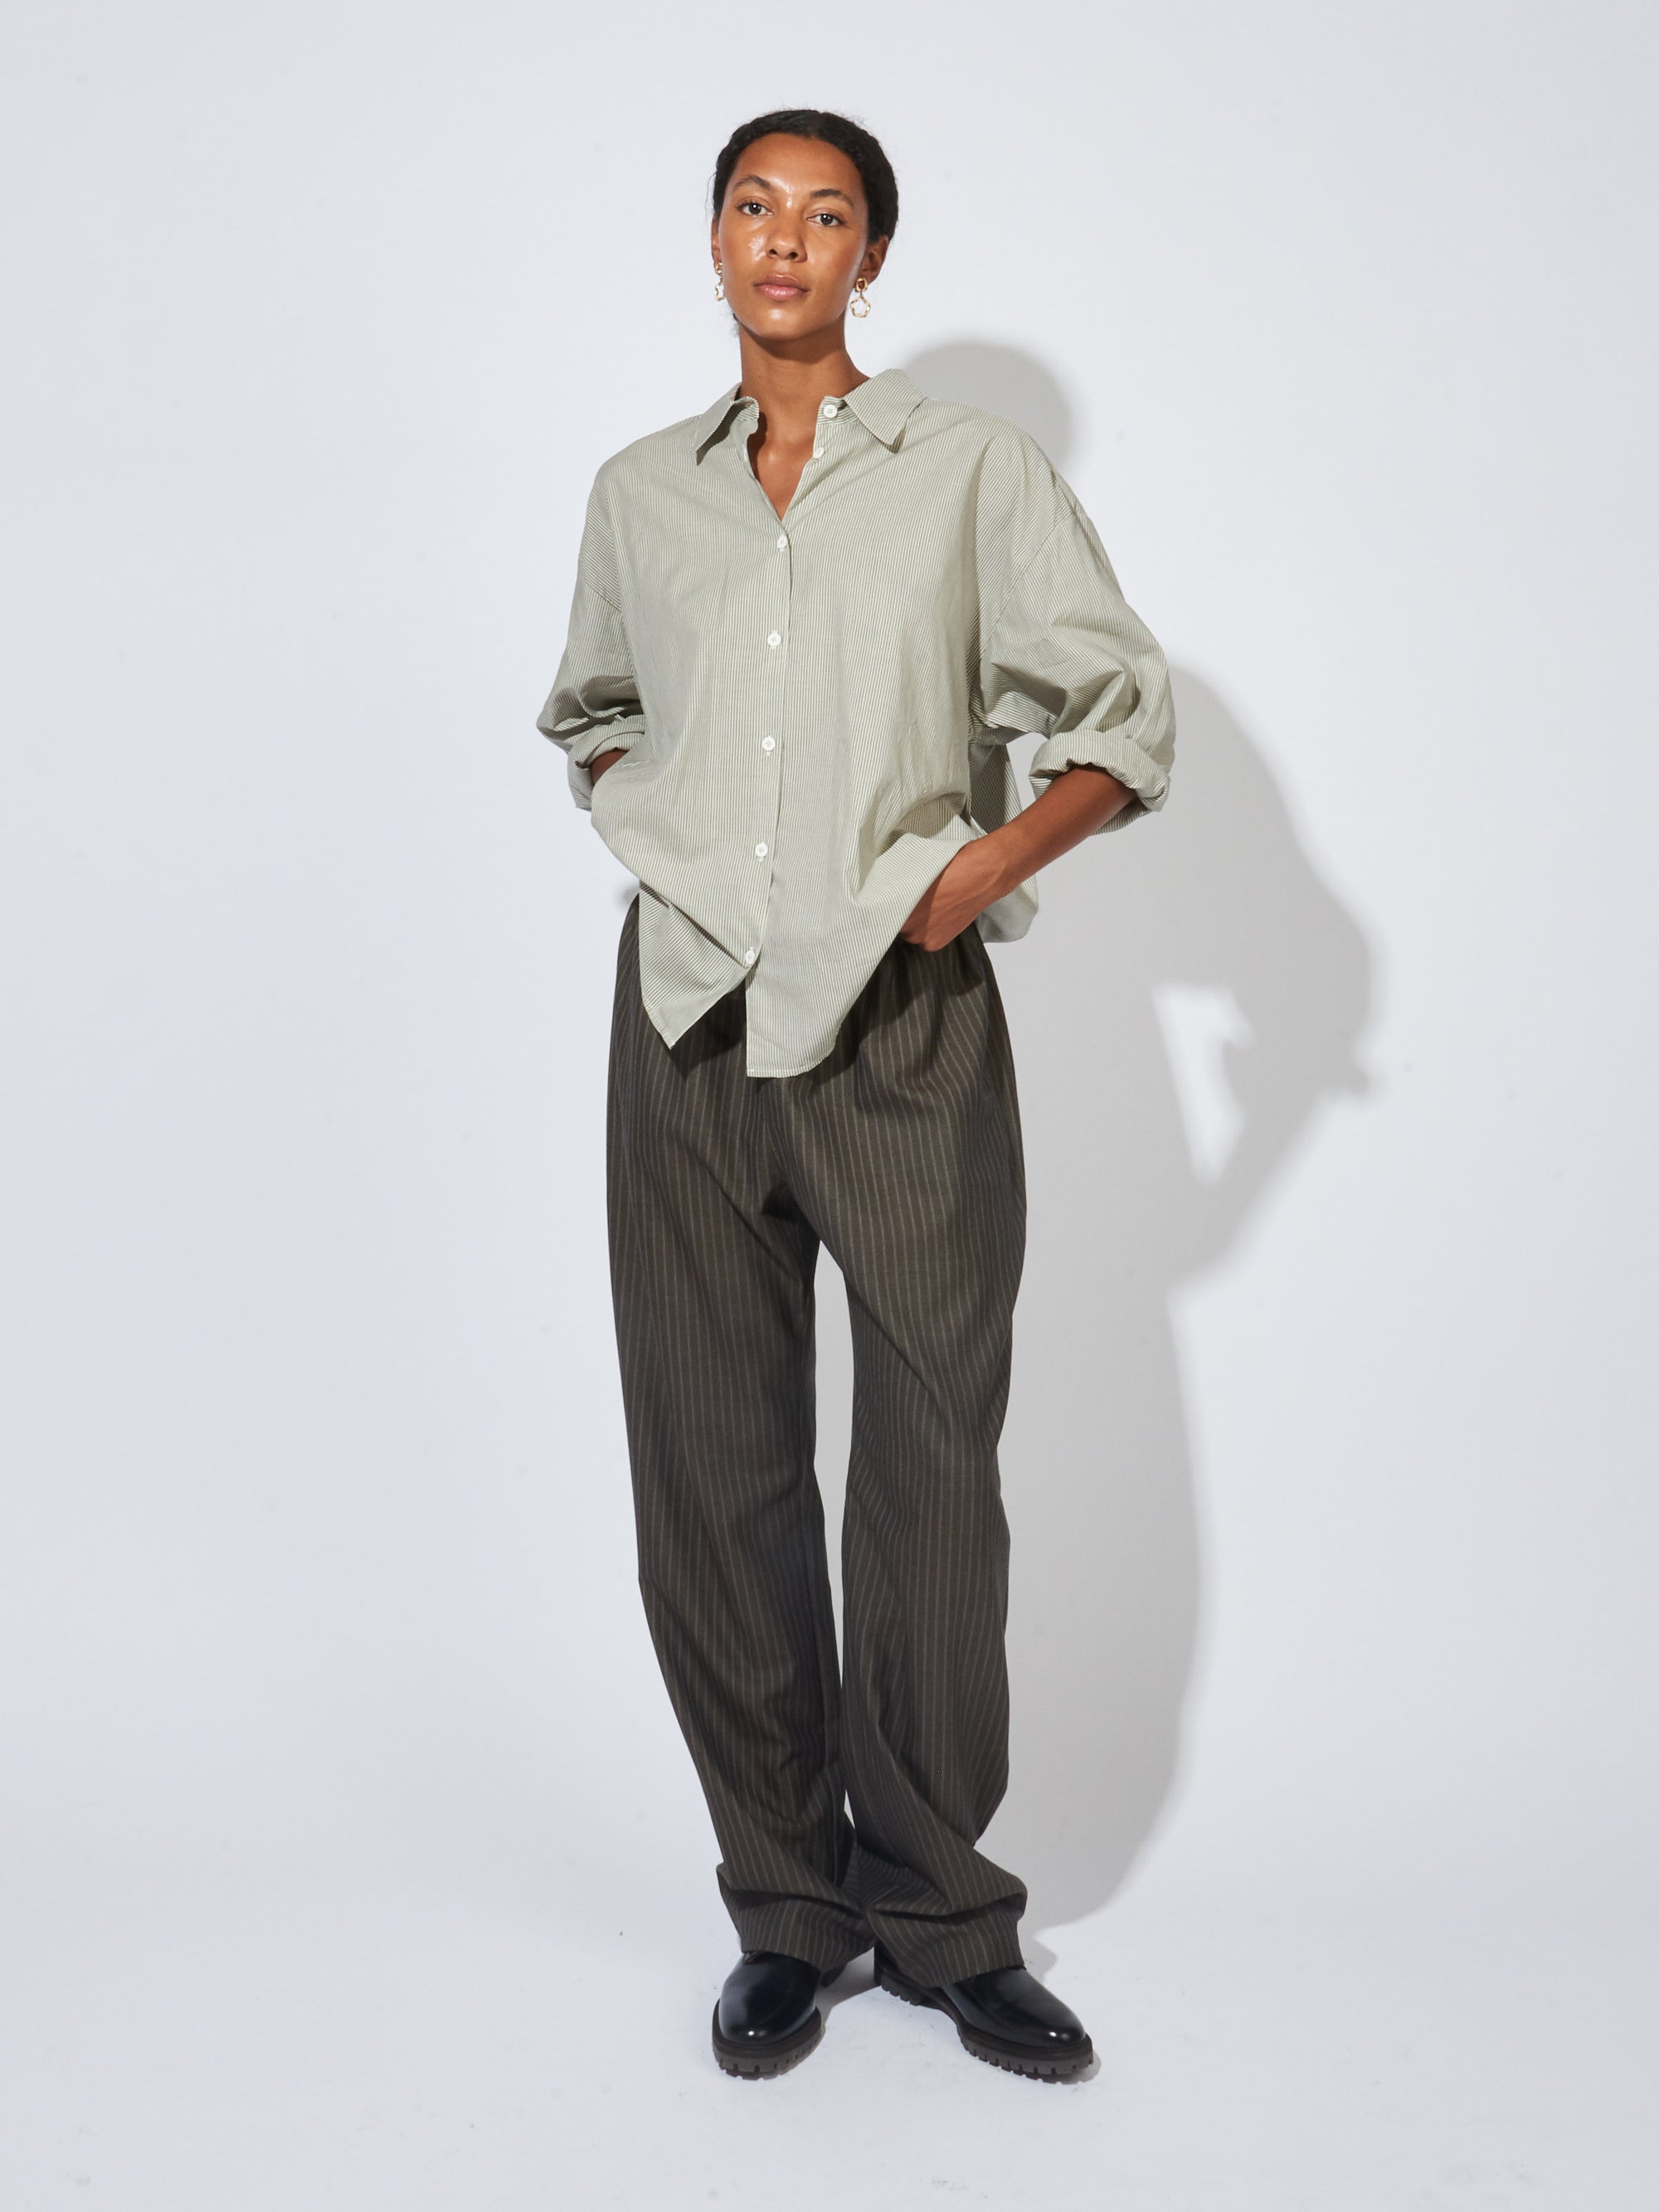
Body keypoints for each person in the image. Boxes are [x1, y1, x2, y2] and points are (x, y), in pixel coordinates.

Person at [536, 107, 1175, 2083]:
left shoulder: (971, 474)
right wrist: (657, 833)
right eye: (754, 206)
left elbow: (1121, 715)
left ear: (869, 257)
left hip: (901, 1024)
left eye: (824, 214)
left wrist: (974, 876)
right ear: (715, 239)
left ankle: (941, 1912)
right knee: (710, 1476)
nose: (784, 239)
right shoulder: (640, 493)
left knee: (928, 1486)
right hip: (686, 1024)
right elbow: (592, 709)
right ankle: (787, 1910)